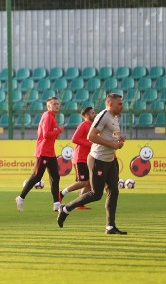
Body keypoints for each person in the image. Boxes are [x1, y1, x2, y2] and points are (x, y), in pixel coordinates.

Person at [57, 93, 127, 234]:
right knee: (96, 194)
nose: (122, 106)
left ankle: (110, 226)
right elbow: (91, 136)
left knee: (114, 191)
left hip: (110, 160)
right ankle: (65, 209)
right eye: (119, 104)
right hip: (98, 159)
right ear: (111, 104)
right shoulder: (104, 115)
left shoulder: (114, 117)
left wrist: (118, 141)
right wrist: (112, 144)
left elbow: (109, 137)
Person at [15, 96, 63, 212]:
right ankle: (20, 198)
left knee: (55, 177)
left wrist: (56, 131)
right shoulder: (47, 116)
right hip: (43, 151)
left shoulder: (52, 116)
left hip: (50, 152)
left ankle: (56, 203)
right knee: (37, 176)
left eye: (57, 103)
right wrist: (58, 130)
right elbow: (46, 134)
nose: (57, 105)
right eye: (54, 104)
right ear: (48, 106)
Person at [58, 106, 96, 209]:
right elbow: (74, 139)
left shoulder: (92, 125)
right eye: (93, 113)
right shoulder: (84, 125)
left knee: (89, 183)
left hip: (87, 158)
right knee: (83, 182)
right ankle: (61, 193)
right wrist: (90, 144)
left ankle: (80, 203)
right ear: (87, 115)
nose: (95, 114)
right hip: (80, 158)